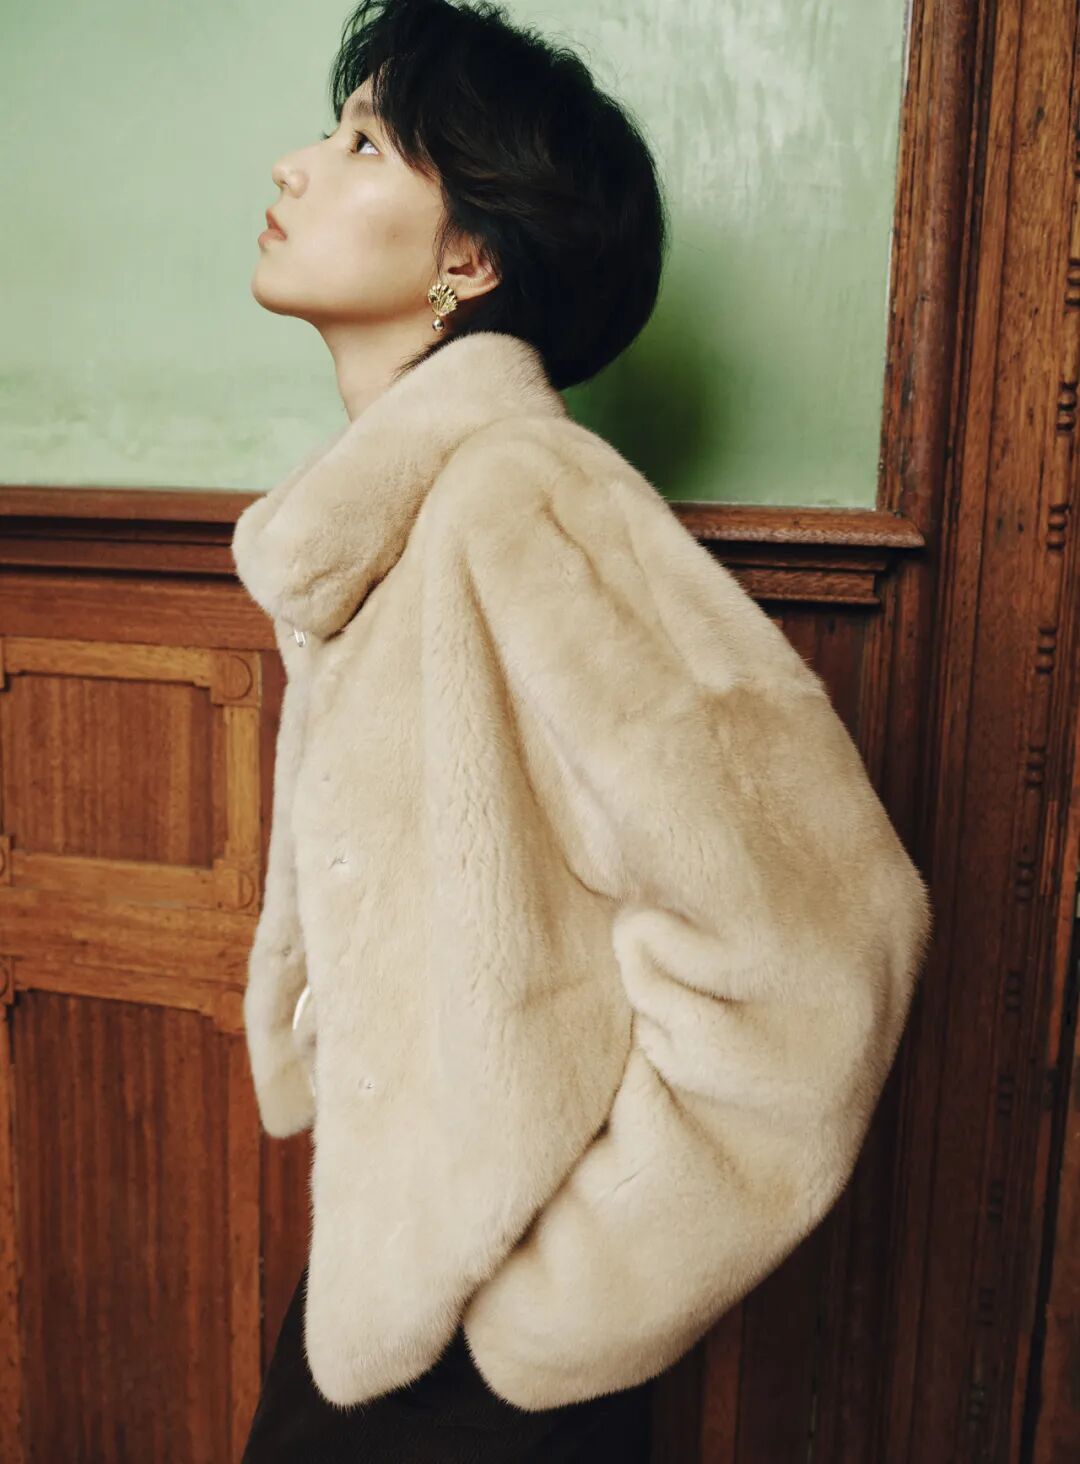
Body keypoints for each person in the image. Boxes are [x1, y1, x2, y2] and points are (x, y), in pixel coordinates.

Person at [235, 0, 933, 1457]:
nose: (294, 165)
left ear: (471, 258)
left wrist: (565, 1308)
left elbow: (823, 945)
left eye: (363, 144)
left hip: (499, 1365)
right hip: (387, 1282)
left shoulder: (526, 499)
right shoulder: (392, 523)